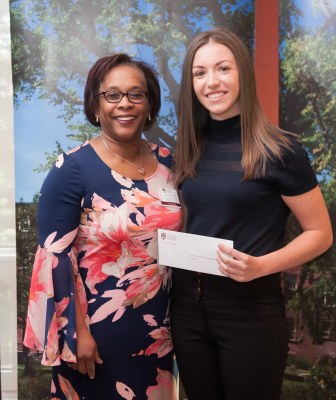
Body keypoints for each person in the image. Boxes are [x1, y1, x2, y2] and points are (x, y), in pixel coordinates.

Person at [171, 28, 333, 400]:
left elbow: (321, 233)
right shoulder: (190, 147)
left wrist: (260, 266)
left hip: (250, 315)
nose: (212, 82)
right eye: (200, 73)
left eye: (223, 68)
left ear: (242, 71)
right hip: (187, 311)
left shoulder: (282, 150)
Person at [24, 53, 182, 399]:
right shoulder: (71, 168)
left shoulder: (172, 162)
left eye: (135, 94)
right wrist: (77, 333)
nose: (124, 104)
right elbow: (56, 258)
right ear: (95, 107)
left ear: (150, 105)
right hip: (95, 337)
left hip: (161, 331)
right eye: (112, 95)